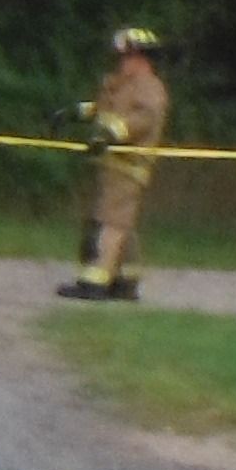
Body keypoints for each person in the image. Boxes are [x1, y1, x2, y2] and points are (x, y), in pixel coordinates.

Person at [57, 27, 171, 302]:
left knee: (112, 222)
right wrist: (76, 112)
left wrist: (110, 134)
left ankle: (97, 281)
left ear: (142, 58)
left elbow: (142, 120)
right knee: (121, 221)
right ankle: (126, 279)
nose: (122, 62)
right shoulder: (124, 83)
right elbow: (105, 107)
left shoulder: (150, 88)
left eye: (127, 56)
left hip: (129, 166)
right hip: (111, 163)